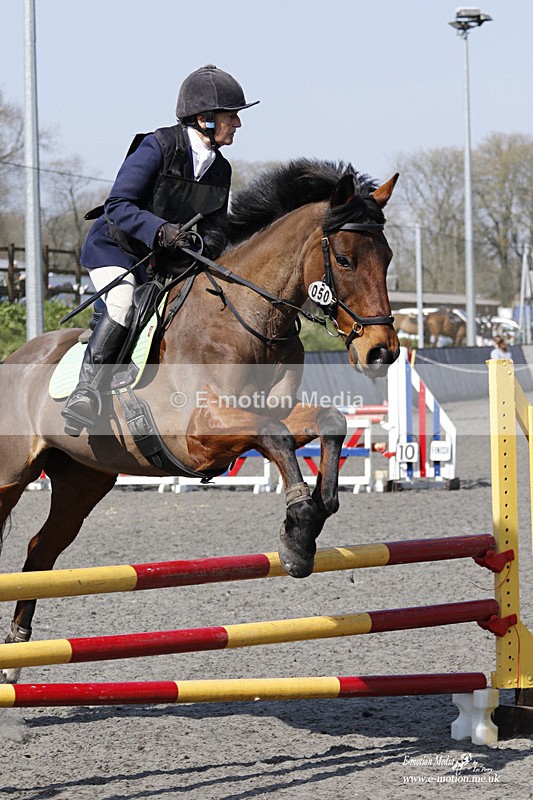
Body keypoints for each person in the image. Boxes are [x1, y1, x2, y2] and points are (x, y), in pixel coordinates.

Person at [61, 64, 259, 436]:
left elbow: (215, 227)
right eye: (231, 115)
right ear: (205, 120)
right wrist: (161, 230)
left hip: (166, 261)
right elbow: (118, 204)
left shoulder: (221, 169)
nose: (237, 123)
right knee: (122, 303)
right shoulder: (158, 146)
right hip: (117, 249)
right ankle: (85, 393)